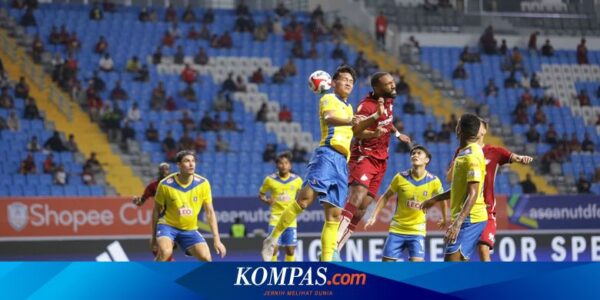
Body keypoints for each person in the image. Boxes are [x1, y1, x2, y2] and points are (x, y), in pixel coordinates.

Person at [261, 65, 381, 262]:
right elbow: (329, 118)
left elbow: (355, 131)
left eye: (351, 81)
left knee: (334, 216)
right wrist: (352, 120)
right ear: (333, 83)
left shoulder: (349, 107)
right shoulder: (328, 99)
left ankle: (327, 262)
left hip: (343, 163)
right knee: (304, 200)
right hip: (327, 155)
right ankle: (272, 239)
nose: (349, 83)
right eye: (344, 79)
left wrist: (374, 127)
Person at [424, 119, 533, 261]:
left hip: (484, 210)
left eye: (479, 125)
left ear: (483, 130)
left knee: (483, 248)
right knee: (462, 258)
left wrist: (522, 158)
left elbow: (514, 157)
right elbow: (452, 181)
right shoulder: (462, 152)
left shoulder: (493, 151)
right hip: (466, 209)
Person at [333, 72, 411, 260]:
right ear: (377, 88)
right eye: (389, 84)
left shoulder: (388, 100)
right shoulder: (366, 106)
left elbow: (386, 121)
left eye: (393, 82)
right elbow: (356, 131)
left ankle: (338, 248)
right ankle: (331, 245)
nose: (393, 86)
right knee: (357, 196)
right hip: (364, 156)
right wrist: (374, 134)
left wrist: (397, 133)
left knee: (363, 207)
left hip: (381, 159)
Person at [422, 114, 487, 261]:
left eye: (458, 124)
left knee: (449, 266)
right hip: (467, 218)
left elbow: (473, 194)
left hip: (470, 219)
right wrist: (434, 199)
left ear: (460, 131)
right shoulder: (464, 153)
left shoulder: (472, 157)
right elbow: (461, 190)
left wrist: (457, 224)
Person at [365, 145, 444, 262]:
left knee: (417, 267)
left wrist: (444, 218)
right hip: (397, 230)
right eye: (413, 153)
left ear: (427, 160)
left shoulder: (434, 181)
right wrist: (373, 215)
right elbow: (385, 196)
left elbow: (442, 198)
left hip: (417, 231)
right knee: (386, 268)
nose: (415, 155)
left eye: (419, 153)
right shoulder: (400, 177)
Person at [152, 151, 226, 261]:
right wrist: (154, 238)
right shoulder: (165, 185)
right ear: (178, 165)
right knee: (166, 252)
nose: (191, 164)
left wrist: (217, 239)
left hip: (189, 229)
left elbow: (210, 213)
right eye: (187, 161)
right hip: (168, 226)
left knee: (206, 258)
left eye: (193, 161)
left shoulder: (203, 184)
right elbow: (156, 211)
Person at [258, 152, 303, 261]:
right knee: (273, 248)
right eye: (281, 163)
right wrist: (267, 200)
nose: (283, 166)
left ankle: (289, 272)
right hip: (275, 218)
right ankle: (275, 272)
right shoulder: (270, 179)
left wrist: (298, 204)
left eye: (286, 163)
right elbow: (261, 194)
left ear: (290, 165)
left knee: (290, 250)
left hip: (290, 219)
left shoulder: (297, 180)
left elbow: (303, 195)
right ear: (277, 165)